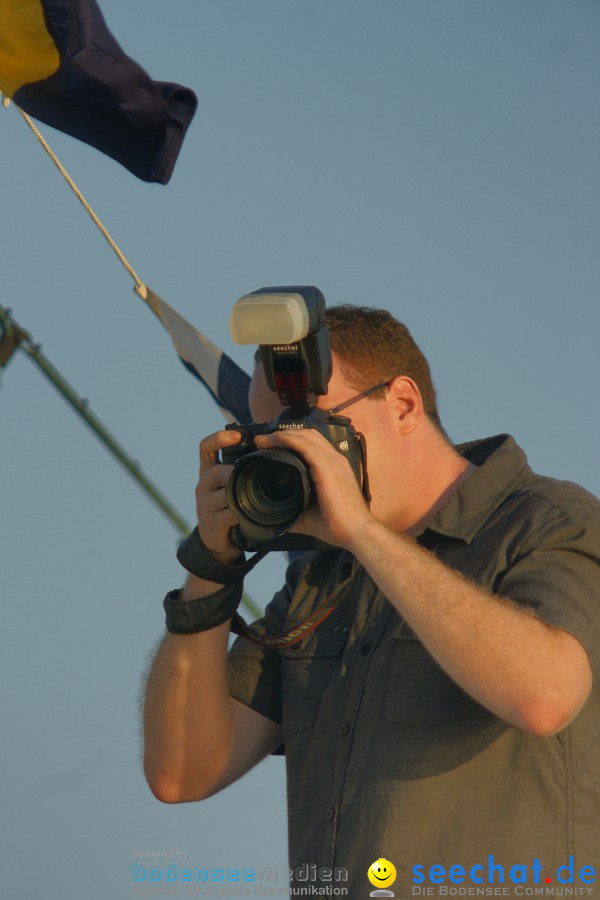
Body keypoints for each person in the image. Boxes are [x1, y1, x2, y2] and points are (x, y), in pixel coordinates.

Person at [143, 304, 600, 896]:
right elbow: (182, 771)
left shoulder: (547, 523)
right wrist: (209, 567)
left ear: (403, 405)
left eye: (304, 429)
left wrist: (364, 532)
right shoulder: (319, 577)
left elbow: (545, 695)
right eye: (267, 437)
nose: (289, 455)